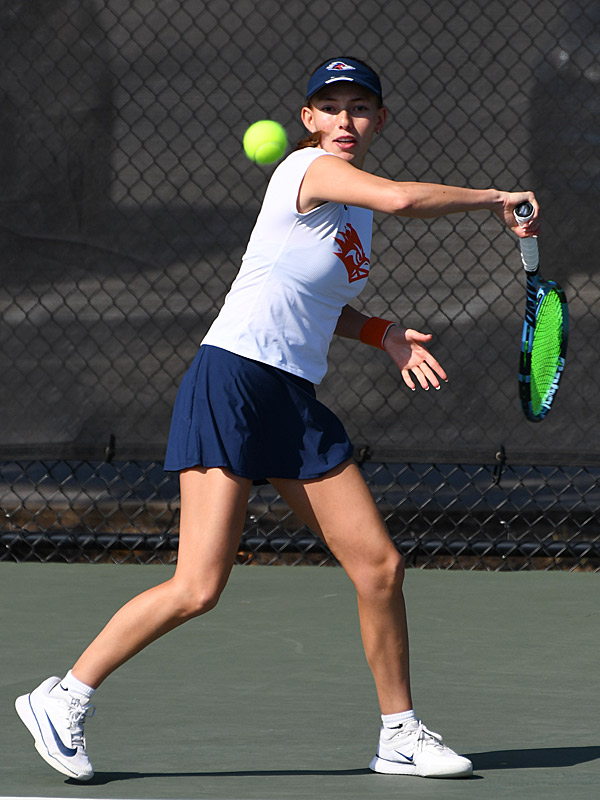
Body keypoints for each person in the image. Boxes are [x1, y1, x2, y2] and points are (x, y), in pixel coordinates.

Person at [15, 56, 540, 782]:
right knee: (199, 586)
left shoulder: (353, 210)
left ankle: (399, 733)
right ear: (309, 120)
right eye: (332, 107)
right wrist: (493, 198)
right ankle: (63, 695)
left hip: (291, 399)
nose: (346, 121)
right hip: (231, 378)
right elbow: (402, 201)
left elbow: (317, 301)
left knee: (380, 567)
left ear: (379, 119)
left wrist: (380, 331)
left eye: (360, 108)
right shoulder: (306, 171)